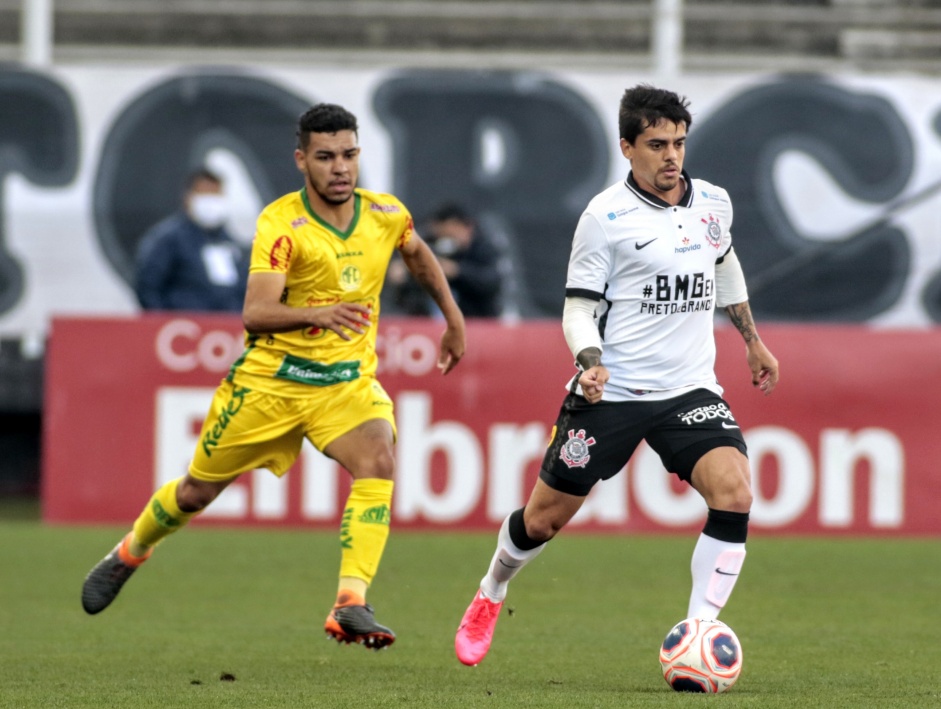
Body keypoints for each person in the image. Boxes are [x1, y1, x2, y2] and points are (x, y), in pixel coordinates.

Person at [82, 103, 466, 651]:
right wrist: (317, 313)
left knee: (378, 457)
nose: (340, 168)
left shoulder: (384, 213)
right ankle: (130, 552)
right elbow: (255, 313)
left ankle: (350, 602)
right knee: (194, 493)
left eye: (350, 155)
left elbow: (418, 252)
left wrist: (452, 320)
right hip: (271, 386)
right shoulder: (281, 224)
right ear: (301, 160)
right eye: (326, 156)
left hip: (344, 385)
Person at [454, 84, 780, 666]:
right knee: (543, 520)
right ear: (627, 147)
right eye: (657, 144)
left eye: (679, 142)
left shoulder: (713, 202)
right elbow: (578, 306)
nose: (671, 156)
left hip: (689, 388)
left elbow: (723, 264)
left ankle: (700, 631)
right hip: (614, 390)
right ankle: (491, 589)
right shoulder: (604, 218)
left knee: (735, 491)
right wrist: (591, 362)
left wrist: (752, 342)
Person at [134, 168, 248, 312]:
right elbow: (148, 287)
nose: (211, 201)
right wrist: (163, 323)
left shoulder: (230, 243)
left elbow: (243, 290)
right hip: (184, 327)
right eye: (205, 194)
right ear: (188, 197)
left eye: (216, 194)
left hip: (226, 330)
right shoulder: (168, 239)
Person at [386, 203, 503, 318]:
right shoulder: (430, 242)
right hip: (428, 319)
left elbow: (491, 282)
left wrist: (456, 271)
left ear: (467, 228)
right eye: (442, 236)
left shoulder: (484, 249)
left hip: (476, 319)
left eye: (451, 234)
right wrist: (405, 266)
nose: (447, 241)